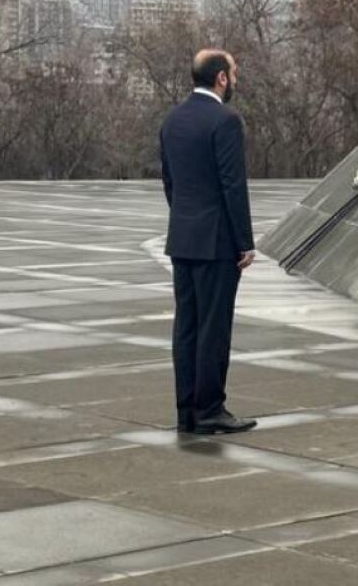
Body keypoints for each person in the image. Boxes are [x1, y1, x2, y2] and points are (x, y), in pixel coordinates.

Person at [160, 49, 257, 435]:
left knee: (187, 327)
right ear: (220, 78)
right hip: (217, 241)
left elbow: (170, 182)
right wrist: (244, 242)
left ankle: (188, 410)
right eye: (233, 72)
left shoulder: (173, 119)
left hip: (183, 238)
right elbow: (233, 186)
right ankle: (211, 409)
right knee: (214, 329)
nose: (236, 79)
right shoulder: (226, 120)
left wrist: (186, 221)